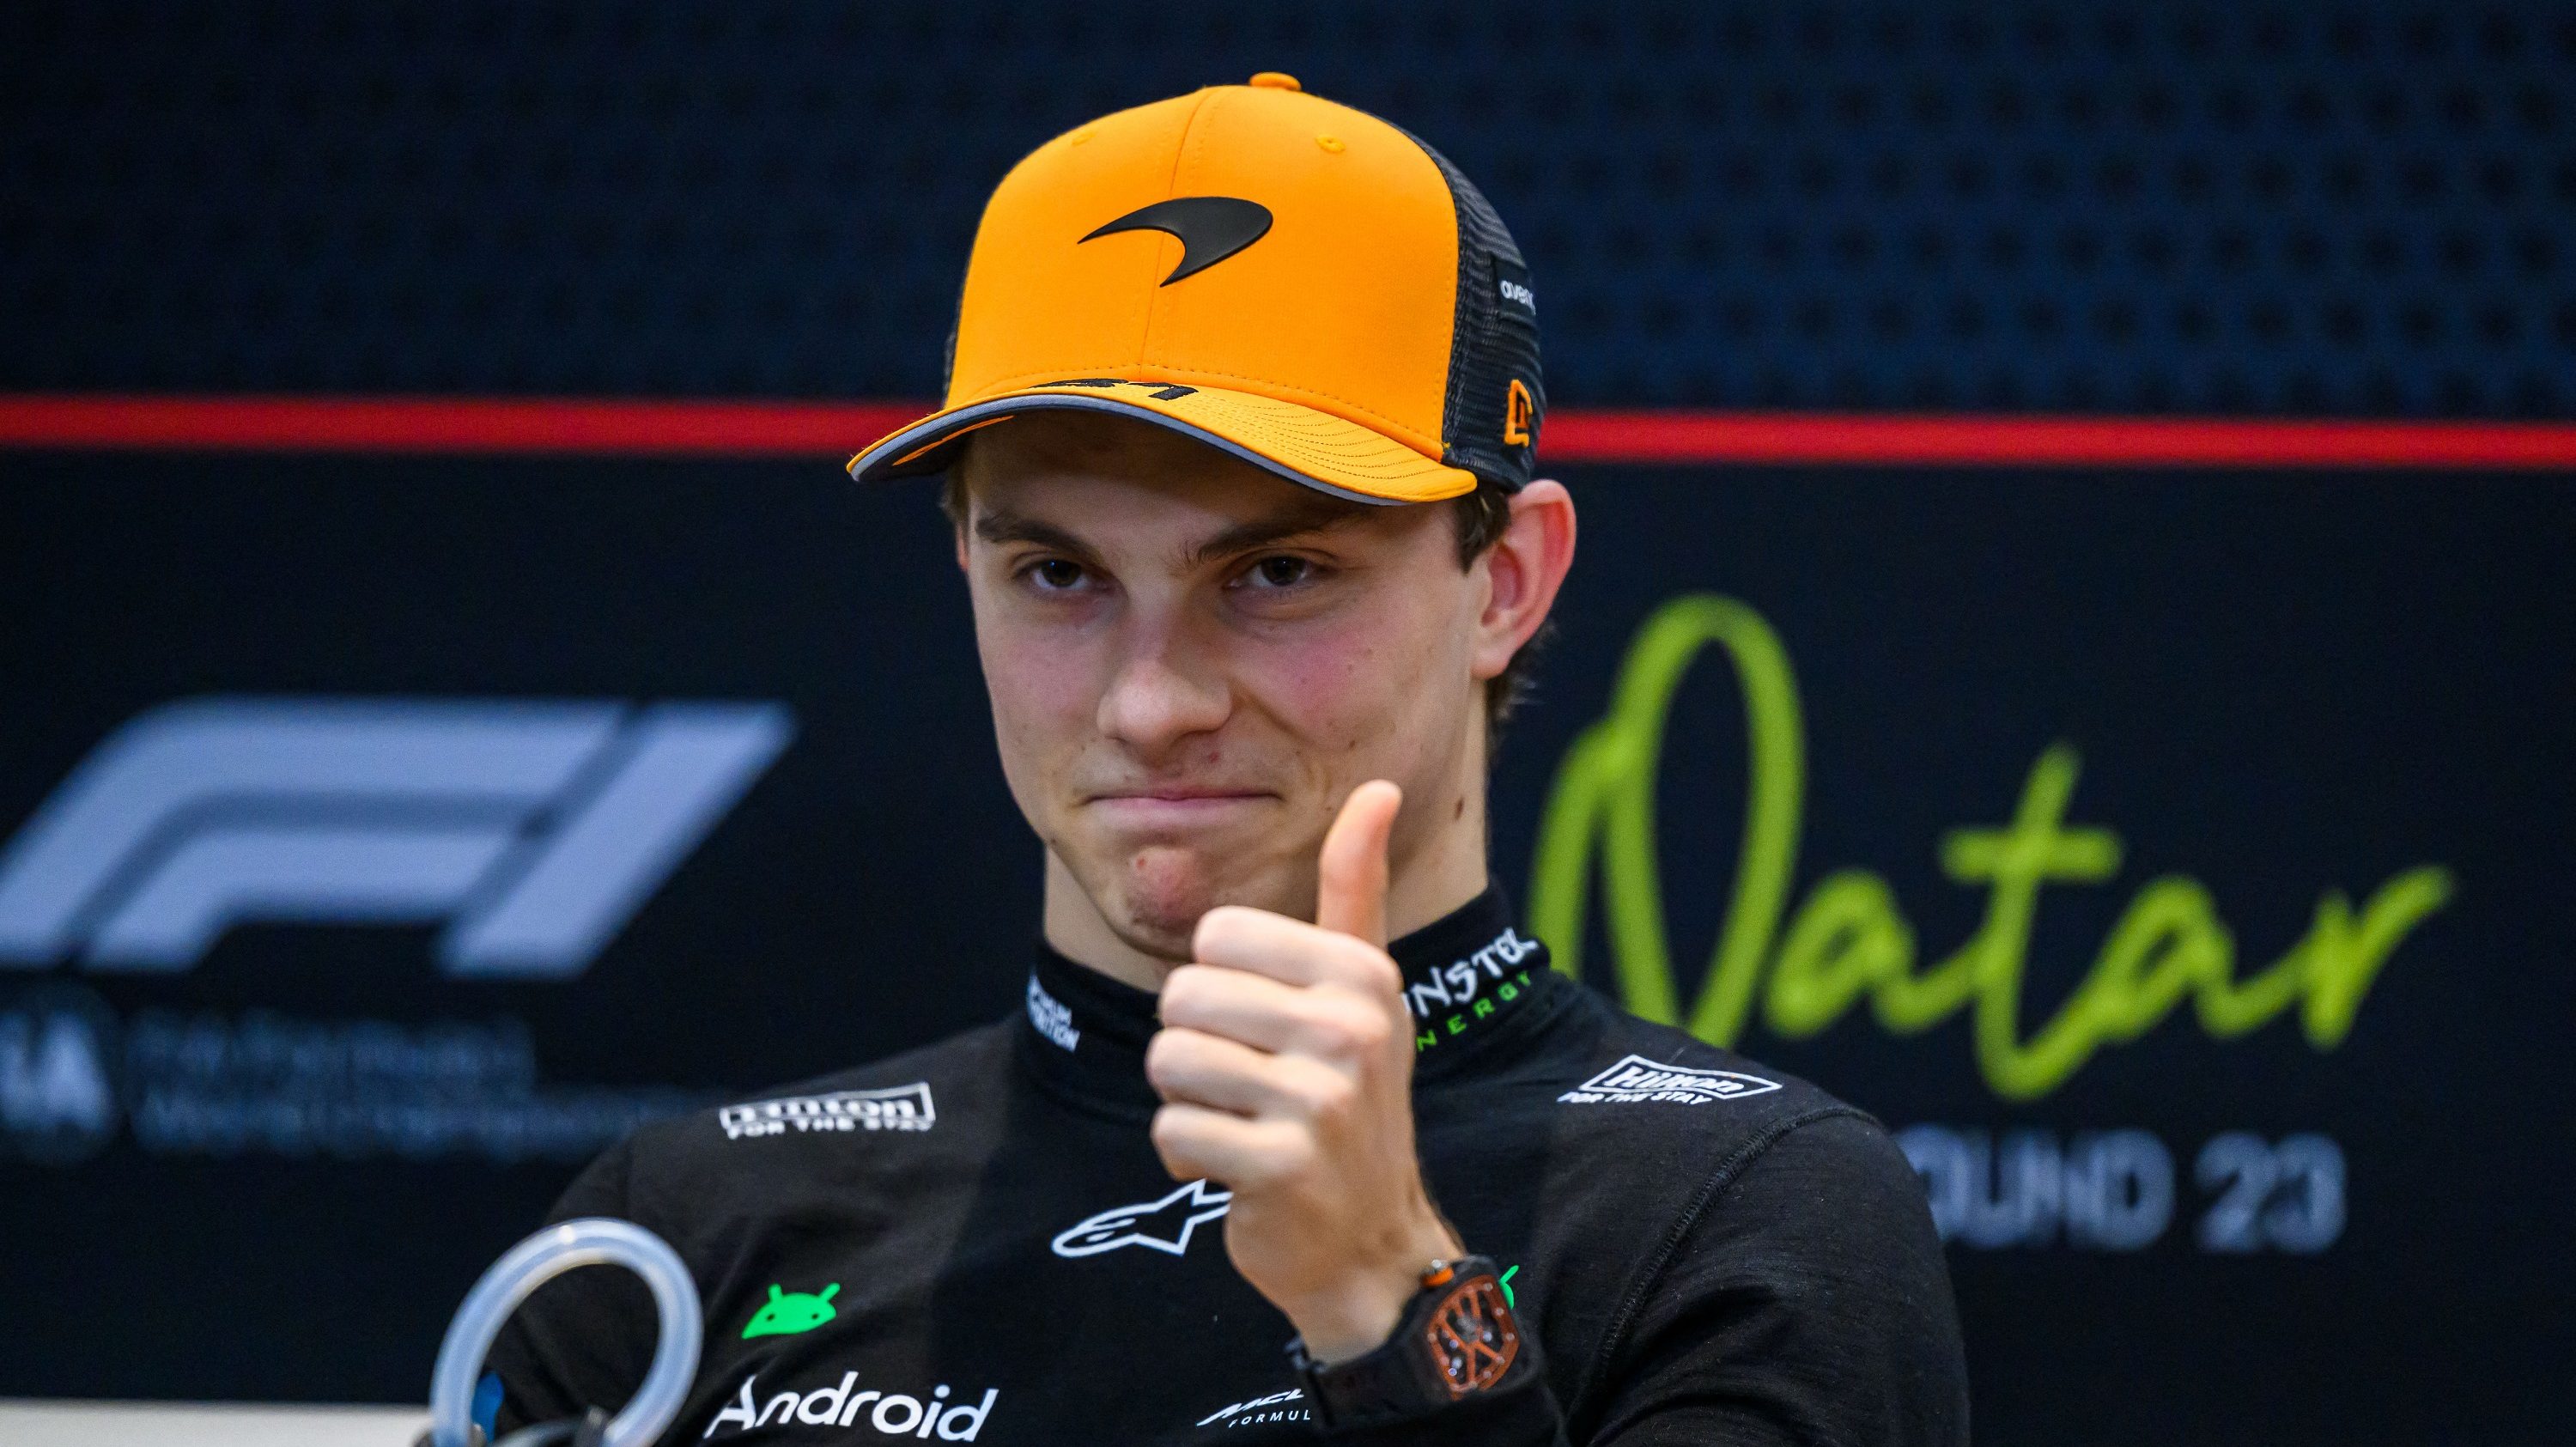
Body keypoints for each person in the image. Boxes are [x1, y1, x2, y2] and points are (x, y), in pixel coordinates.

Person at [488, 73, 1966, 1445]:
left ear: (1504, 583)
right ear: (966, 569)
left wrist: (1394, 1305)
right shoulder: (677, 1243)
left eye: (1275, 573)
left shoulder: (1750, 1217)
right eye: (1059, 574)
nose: (1150, 702)